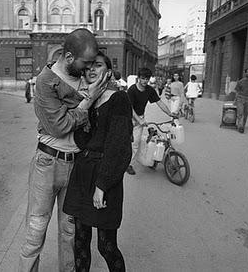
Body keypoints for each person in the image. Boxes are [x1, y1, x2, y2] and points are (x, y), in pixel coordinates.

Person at [19, 28, 110, 272]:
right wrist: (87, 102)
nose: (89, 68)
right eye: (85, 62)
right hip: (47, 164)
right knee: (35, 230)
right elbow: (58, 126)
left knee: (70, 231)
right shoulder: (46, 81)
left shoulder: (85, 79)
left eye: (93, 64)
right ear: (69, 57)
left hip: (76, 166)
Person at [63, 52, 132, 272]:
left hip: (104, 175)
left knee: (106, 245)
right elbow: (81, 140)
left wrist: (102, 185)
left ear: (108, 72)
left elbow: (119, 147)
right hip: (83, 173)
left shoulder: (119, 99)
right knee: (80, 241)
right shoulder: (88, 100)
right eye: (88, 67)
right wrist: (87, 102)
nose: (91, 70)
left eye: (98, 65)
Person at [126, 68, 173, 175]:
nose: (144, 81)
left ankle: (129, 164)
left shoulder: (149, 90)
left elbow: (160, 103)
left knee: (135, 142)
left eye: (146, 79)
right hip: (128, 118)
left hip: (140, 118)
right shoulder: (132, 90)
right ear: (138, 78)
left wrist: (170, 113)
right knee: (126, 140)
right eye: (142, 78)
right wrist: (139, 120)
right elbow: (130, 108)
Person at [234, 67, 248, 133]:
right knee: (240, 113)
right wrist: (235, 100)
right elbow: (237, 91)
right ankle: (240, 126)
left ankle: (242, 126)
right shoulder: (241, 81)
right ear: (245, 73)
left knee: (246, 113)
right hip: (240, 98)